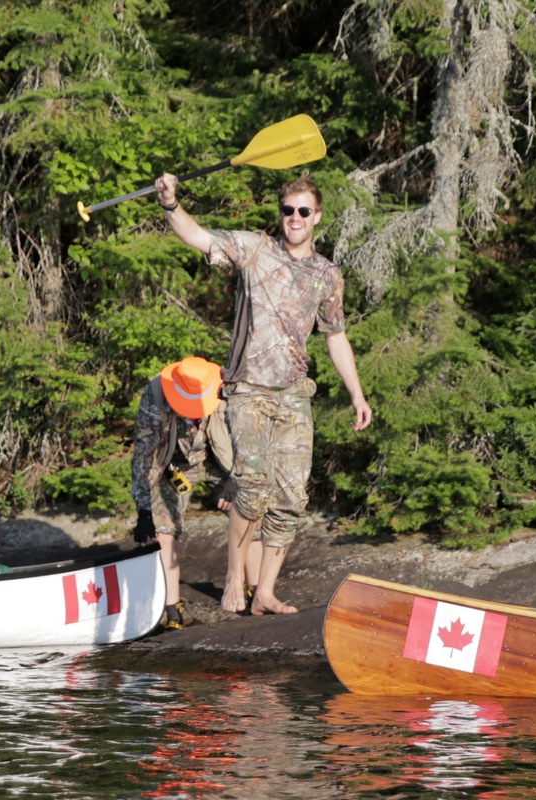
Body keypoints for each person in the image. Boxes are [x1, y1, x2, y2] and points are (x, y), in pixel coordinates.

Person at [153, 171, 372, 616]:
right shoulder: (255, 249)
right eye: (288, 210)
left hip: (294, 393)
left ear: (317, 217)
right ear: (281, 214)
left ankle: (266, 592)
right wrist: (171, 203)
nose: (294, 217)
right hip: (249, 388)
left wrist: (357, 394)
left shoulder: (327, 275)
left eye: (303, 211)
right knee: (252, 486)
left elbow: (335, 336)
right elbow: (196, 236)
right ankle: (236, 575)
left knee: (291, 498)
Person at [131, 356, 241, 630]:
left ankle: (249, 591)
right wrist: (143, 508)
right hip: (173, 464)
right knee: (163, 530)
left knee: (249, 509)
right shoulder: (155, 395)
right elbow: (144, 455)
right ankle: (173, 610)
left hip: (220, 457)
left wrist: (236, 478)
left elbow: (247, 438)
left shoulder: (227, 389)